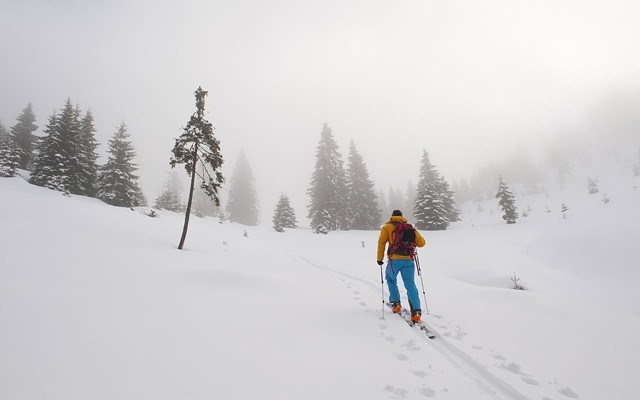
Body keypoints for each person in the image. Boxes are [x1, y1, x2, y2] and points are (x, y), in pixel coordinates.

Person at [377, 210, 426, 322]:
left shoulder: (387, 227)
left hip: (394, 260)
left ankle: (396, 303)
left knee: (391, 279)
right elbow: (422, 243)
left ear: (392, 216)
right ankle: (416, 311)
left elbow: (381, 243)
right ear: (402, 217)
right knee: (410, 284)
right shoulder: (409, 227)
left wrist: (379, 258)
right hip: (408, 260)